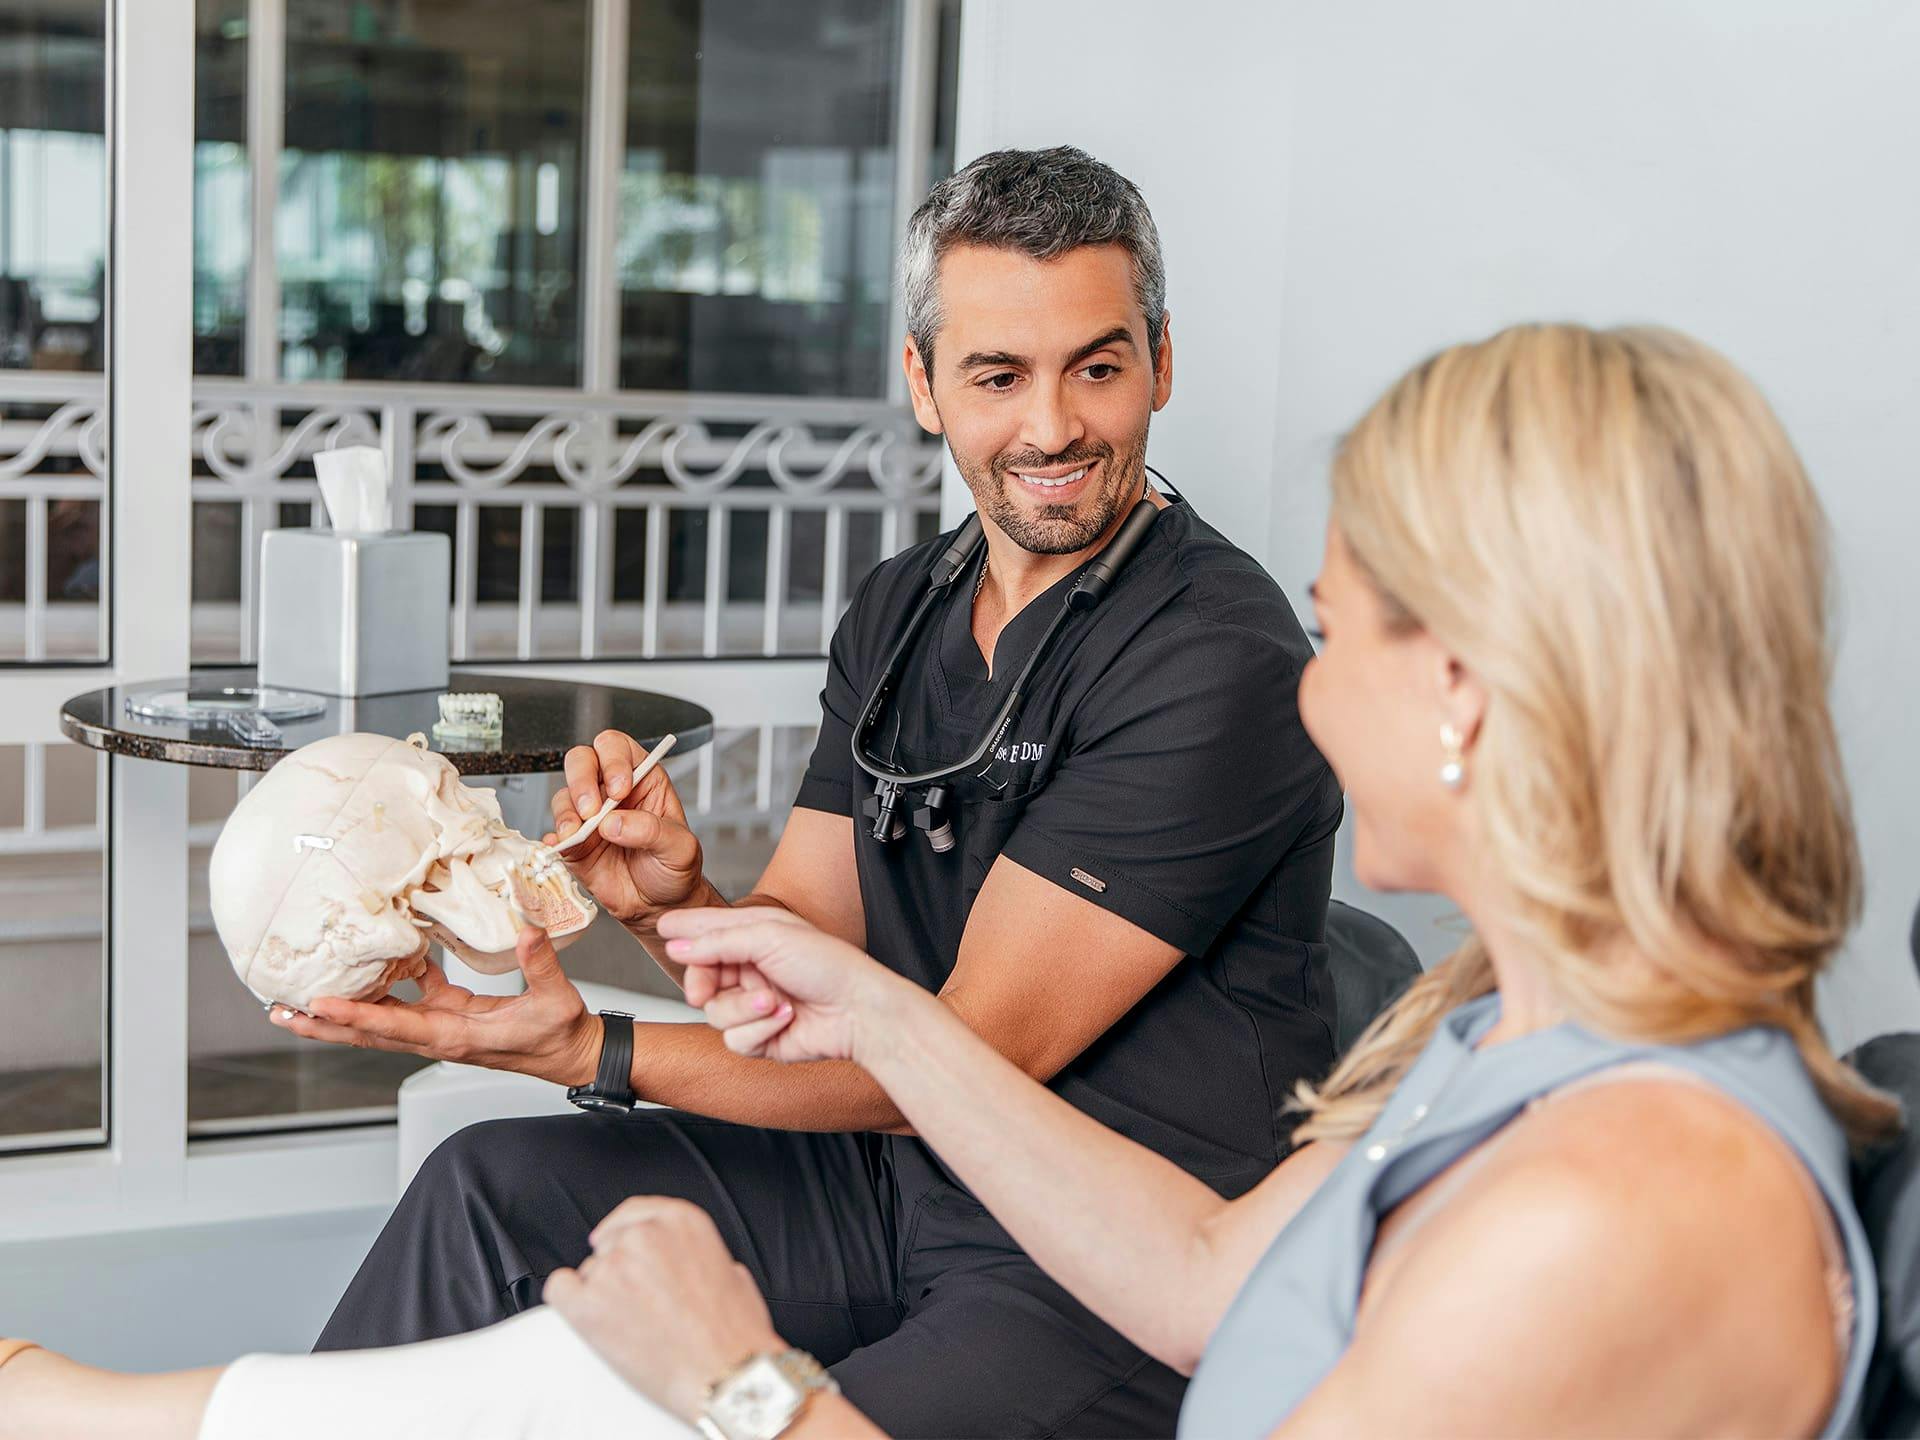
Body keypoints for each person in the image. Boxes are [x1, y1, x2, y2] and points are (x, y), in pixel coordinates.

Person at [2, 322, 1896, 1440]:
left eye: (1340, 634)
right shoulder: (1502, 1027)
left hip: (990, 1290)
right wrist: (858, 1007)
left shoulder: (1620, 1205)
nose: (1305, 685)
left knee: (613, 1391)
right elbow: (1206, 1274)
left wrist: (746, 1389)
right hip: (944, 1193)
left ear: (1469, 689)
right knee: (547, 1355)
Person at [274, 145, 1344, 1438]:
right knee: (487, 1186)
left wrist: (591, 1048)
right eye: (999, 375)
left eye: (1098, 367)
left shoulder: (1213, 655)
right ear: (925, 383)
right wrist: (670, 906)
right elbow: (804, 979)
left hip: (1096, 1255)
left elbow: (958, 1060)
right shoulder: (906, 609)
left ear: (1160, 363)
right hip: (893, 1186)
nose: (1053, 424)